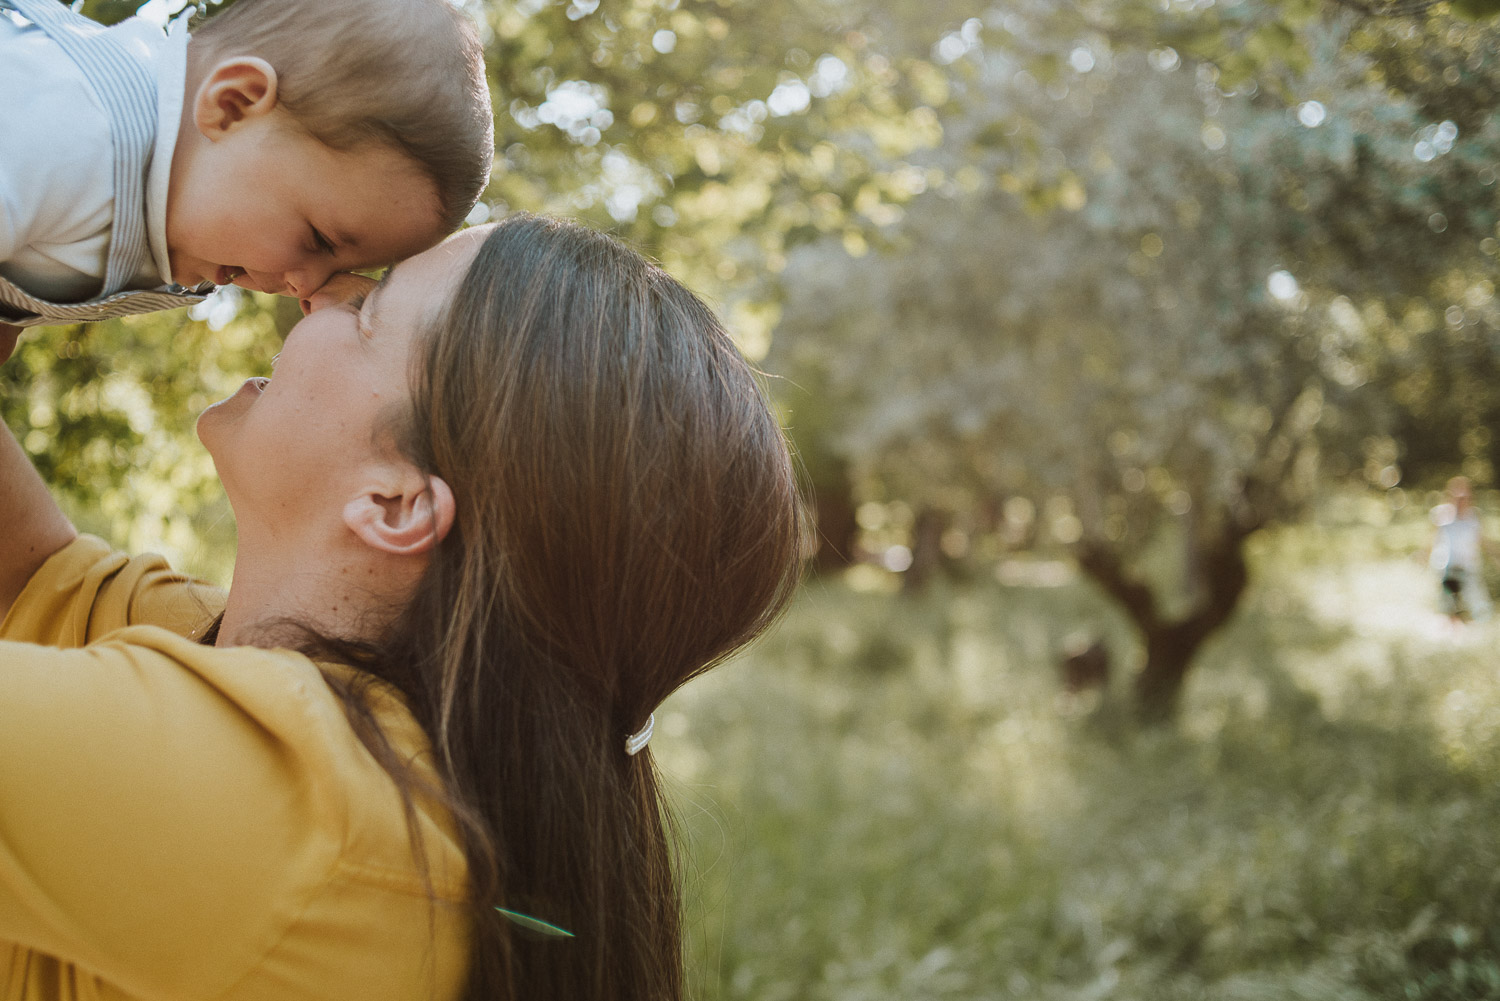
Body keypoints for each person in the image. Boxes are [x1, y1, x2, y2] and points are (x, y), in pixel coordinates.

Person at [0, 215, 804, 1001]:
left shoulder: (299, 806)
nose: (320, 293)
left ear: (396, 502)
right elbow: (33, 575)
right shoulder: (294, 695)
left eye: (369, 310)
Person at [0, 0, 493, 360]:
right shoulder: (72, 130)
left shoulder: (180, 217)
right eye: (319, 239)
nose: (307, 285)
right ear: (233, 106)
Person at [1428, 475, 1493, 623]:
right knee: (1448, 605)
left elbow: (1483, 541)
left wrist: (1496, 556)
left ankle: (1478, 629)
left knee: (1478, 604)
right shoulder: (1441, 514)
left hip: (1469, 568)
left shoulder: (1474, 517)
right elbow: (1432, 538)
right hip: (1447, 568)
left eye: (1464, 498)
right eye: (1457, 497)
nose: (1461, 502)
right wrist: (1425, 556)